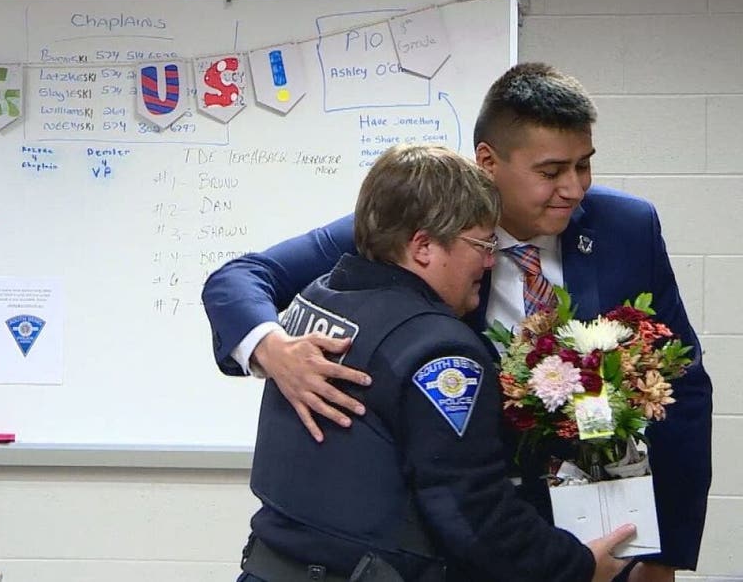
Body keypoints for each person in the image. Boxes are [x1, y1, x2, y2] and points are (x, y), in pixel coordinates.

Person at [205, 63, 713, 581]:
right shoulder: (427, 220)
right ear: (489, 162)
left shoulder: (626, 228)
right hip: (470, 527)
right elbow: (243, 276)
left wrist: (665, 550)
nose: (574, 188)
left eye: (584, 166)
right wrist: (272, 349)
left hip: (591, 522)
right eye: (551, 171)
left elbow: (684, 389)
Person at [238, 144, 634, 582]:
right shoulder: (440, 351)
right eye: (482, 243)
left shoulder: (316, 301)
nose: (489, 260)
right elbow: (474, 515)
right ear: (423, 246)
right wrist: (577, 566)